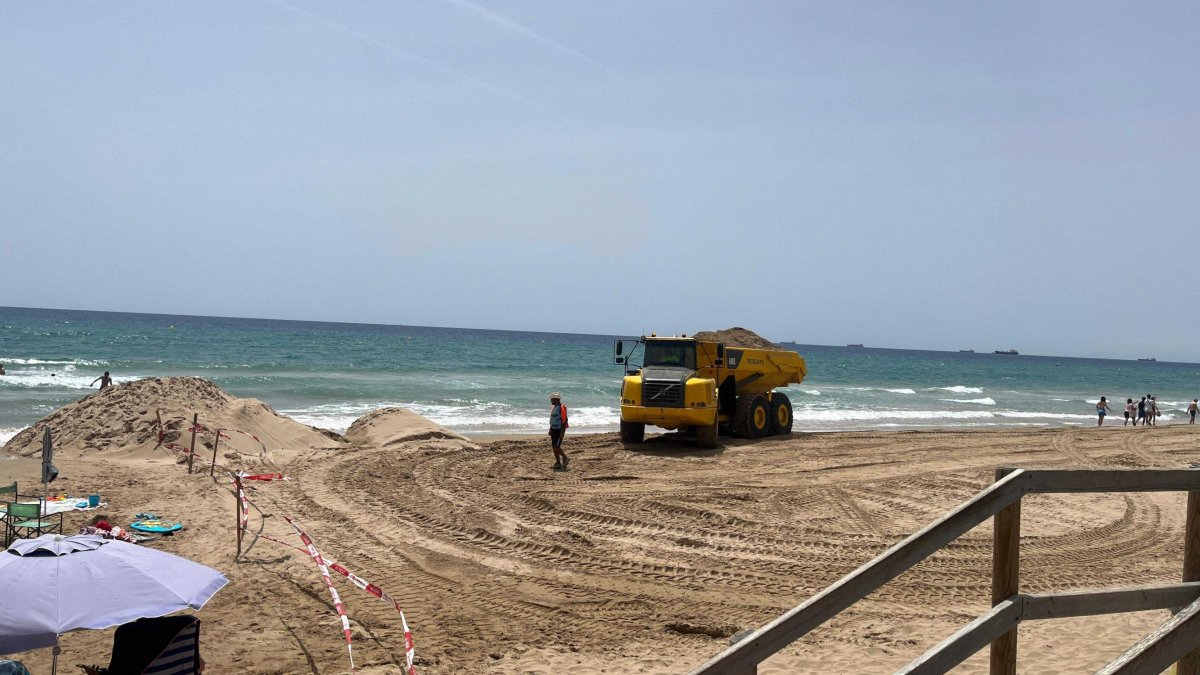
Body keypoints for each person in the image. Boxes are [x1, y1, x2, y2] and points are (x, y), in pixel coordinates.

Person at [549, 392, 569, 471]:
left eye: (552, 399)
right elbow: (553, 419)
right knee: (554, 447)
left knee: (556, 446)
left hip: (559, 429)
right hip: (553, 429)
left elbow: (565, 420)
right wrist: (550, 429)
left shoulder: (562, 407)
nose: (551, 400)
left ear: (556, 399)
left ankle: (565, 457)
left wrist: (562, 432)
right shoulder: (554, 407)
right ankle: (558, 463)